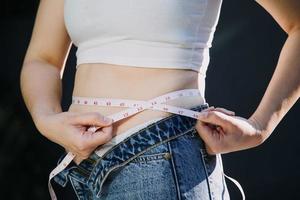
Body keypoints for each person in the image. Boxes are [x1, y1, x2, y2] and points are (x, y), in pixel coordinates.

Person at [20, 0, 300, 199]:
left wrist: (260, 126)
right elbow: (42, 59)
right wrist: (46, 118)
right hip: (80, 166)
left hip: (163, 155)